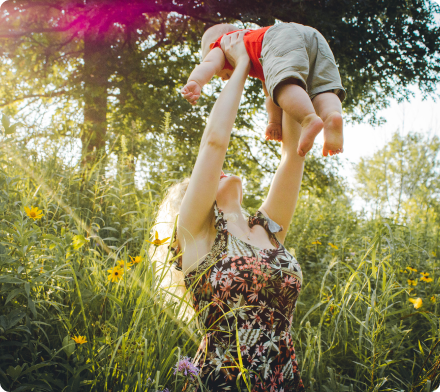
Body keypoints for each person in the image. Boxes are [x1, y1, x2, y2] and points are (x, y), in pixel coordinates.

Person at [158, 31, 306, 391]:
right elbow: (214, 141)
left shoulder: (268, 229)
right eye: (211, 178)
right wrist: (240, 64)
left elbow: (293, 155)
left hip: (283, 381)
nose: (220, 171)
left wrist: (275, 65)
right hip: (224, 382)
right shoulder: (198, 235)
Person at [181, 22, 346, 157]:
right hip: (312, 35)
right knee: (321, 88)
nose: (223, 78)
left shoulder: (223, 44)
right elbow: (271, 92)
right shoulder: (259, 50)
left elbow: (209, 64)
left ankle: (309, 119)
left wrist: (196, 81)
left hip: (280, 36)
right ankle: (331, 116)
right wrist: (274, 122)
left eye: (220, 74)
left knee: (284, 86)